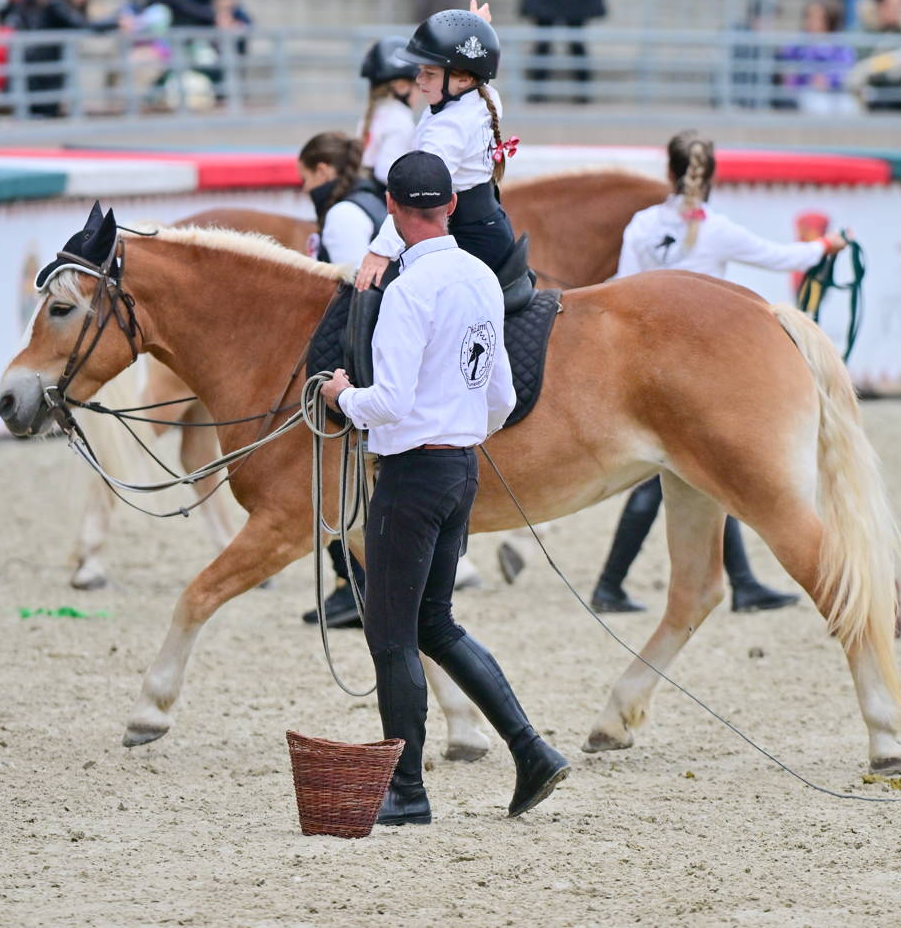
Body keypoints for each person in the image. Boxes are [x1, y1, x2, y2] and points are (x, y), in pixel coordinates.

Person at [319, 150, 570, 826]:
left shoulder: (408, 290)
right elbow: (502, 395)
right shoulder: (483, 277)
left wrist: (342, 397)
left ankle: (406, 791)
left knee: (391, 634)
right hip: (461, 468)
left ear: (392, 209)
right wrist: (459, 429)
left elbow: (390, 401)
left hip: (412, 475)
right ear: (453, 204)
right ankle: (531, 750)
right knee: (435, 622)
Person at [590, 130, 849, 614]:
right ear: (711, 177)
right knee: (691, 471)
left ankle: (733, 583)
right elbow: (782, 257)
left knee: (700, 474)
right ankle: (612, 585)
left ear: (669, 172)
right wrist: (827, 245)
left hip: (641, 367)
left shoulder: (643, 225)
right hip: (696, 370)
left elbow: (621, 287)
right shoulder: (718, 230)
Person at [354, 3, 518, 290]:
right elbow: (476, 67)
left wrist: (381, 250)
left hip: (469, 240)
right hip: (487, 227)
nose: (419, 80)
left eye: (429, 74)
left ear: (463, 78)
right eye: (420, 72)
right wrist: (475, 31)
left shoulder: (448, 130)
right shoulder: (479, 95)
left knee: (396, 291)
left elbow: (418, 194)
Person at [297, 131, 389, 629]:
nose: (304, 187)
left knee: (329, 466)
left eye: (305, 177)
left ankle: (352, 582)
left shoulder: (343, 214)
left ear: (323, 171)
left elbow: (353, 287)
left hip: (354, 349)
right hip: (365, 341)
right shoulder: (367, 201)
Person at [26, 0, 132, 116]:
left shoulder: (72, 4)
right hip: (40, 68)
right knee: (40, 112)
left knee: (50, 111)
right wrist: (116, 23)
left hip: (55, 68)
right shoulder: (56, 2)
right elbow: (81, 25)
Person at [778, 0, 860, 115]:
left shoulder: (840, 45)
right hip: (805, 92)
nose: (812, 22)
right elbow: (788, 73)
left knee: (849, 107)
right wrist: (807, 78)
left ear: (828, 20)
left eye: (818, 18)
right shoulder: (796, 46)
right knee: (818, 106)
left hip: (836, 91)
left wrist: (829, 80)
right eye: (809, 17)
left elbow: (847, 69)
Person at [357, 37, 420, 184]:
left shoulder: (374, 113)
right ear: (402, 86)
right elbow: (386, 172)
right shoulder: (400, 119)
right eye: (417, 85)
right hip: (381, 195)